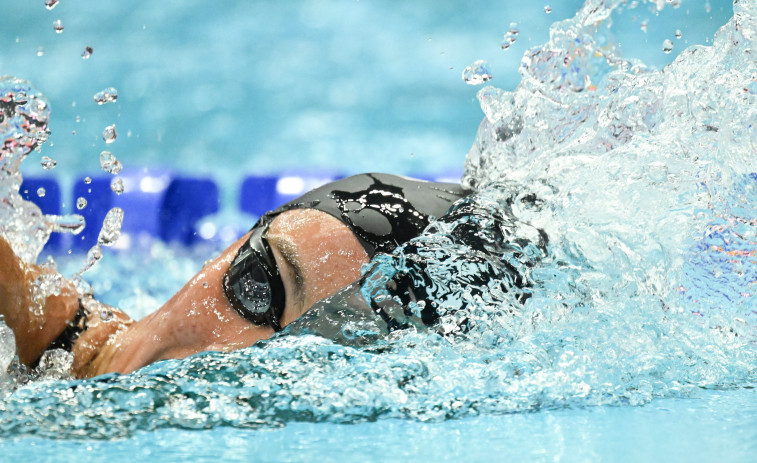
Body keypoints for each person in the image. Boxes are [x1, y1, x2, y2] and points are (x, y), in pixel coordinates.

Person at [0, 173, 471, 378]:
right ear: (225, 252)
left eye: (316, 358)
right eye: (256, 285)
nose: (235, 353)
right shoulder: (24, 309)